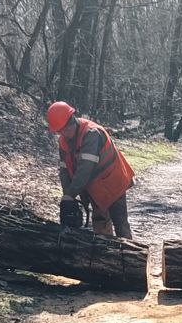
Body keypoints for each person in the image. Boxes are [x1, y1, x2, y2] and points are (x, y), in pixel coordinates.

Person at [46, 101, 135, 239]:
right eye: (59, 131)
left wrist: (71, 194)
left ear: (72, 121)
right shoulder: (63, 141)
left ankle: (131, 256)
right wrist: (67, 197)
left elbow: (85, 169)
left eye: (63, 130)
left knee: (120, 222)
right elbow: (64, 170)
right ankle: (105, 257)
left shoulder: (92, 134)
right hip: (95, 187)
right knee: (100, 224)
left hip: (113, 181)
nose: (62, 134)